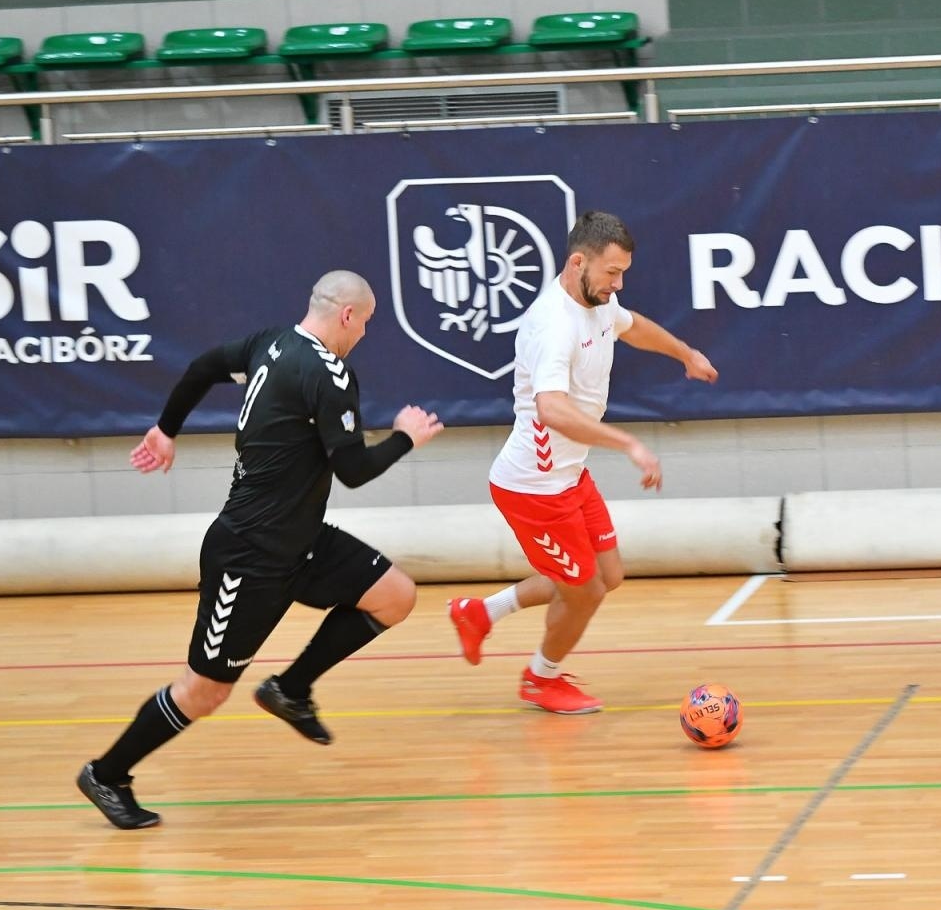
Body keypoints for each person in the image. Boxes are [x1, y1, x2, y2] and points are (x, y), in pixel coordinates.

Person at [76, 270, 444, 829]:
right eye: (366, 323)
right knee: (203, 693)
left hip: (302, 540)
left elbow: (202, 367)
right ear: (347, 315)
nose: (365, 334)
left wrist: (165, 428)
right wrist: (405, 438)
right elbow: (353, 471)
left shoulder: (270, 343)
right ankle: (107, 774)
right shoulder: (329, 373)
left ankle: (290, 689)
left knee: (394, 595)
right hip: (248, 556)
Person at [446, 211, 717, 714]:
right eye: (612, 273)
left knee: (607, 575)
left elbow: (634, 328)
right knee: (585, 590)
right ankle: (539, 680)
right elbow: (552, 409)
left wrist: (685, 353)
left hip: (568, 477)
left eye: (623, 274)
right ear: (577, 263)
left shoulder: (598, 304)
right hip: (535, 487)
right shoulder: (553, 324)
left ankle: (480, 613)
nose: (619, 284)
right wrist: (629, 445)